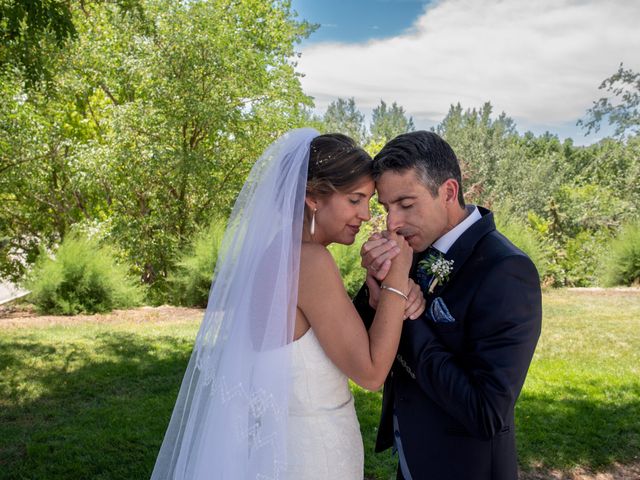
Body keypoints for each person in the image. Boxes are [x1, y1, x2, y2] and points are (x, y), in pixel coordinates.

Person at [150, 128, 425, 480]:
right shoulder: (310, 263)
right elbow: (371, 373)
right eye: (355, 200)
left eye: (369, 202)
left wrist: (378, 296)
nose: (367, 215)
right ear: (313, 197)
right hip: (315, 454)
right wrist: (398, 277)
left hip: (286, 447)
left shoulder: (276, 256)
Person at [354, 131, 542, 480]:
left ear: (449, 192)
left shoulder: (506, 270)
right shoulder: (414, 248)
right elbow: (357, 340)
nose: (392, 223)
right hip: (411, 458)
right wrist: (375, 285)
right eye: (386, 208)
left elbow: (486, 412)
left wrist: (403, 314)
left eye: (406, 205)